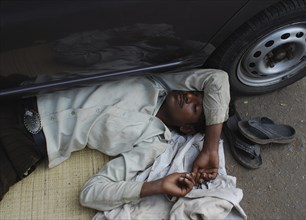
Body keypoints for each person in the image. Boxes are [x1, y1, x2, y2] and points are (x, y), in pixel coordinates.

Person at [0, 68, 230, 210]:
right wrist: (209, 149)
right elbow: (217, 79)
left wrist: (158, 185)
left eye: (196, 106)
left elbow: (91, 193)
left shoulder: (154, 141)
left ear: (187, 128)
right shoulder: (158, 79)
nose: (188, 96)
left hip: (23, 146)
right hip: (17, 93)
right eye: (193, 92)